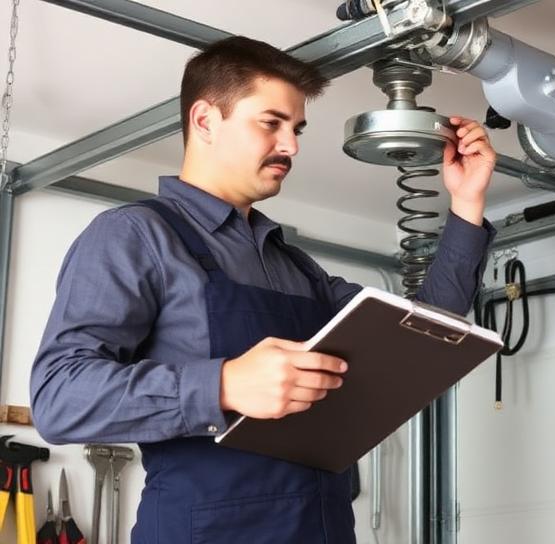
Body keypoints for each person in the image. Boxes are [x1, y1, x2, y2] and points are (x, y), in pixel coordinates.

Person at [30, 36, 496, 543]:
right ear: (205, 121)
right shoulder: (135, 236)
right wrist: (224, 385)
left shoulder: (296, 267)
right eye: (271, 123)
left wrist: (466, 204)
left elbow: (422, 332)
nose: (291, 146)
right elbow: (59, 398)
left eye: (296, 129)